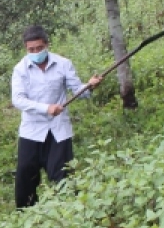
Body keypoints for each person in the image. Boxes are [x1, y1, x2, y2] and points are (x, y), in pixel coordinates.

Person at [11, 25, 102, 208]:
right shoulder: (21, 69)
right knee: (26, 176)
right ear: (26, 49)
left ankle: (71, 211)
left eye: (39, 48)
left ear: (46, 45)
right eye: (31, 49)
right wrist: (46, 108)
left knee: (62, 175)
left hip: (59, 130)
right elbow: (18, 100)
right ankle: (26, 215)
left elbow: (77, 90)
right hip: (32, 131)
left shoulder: (63, 64)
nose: (35, 52)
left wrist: (89, 86)